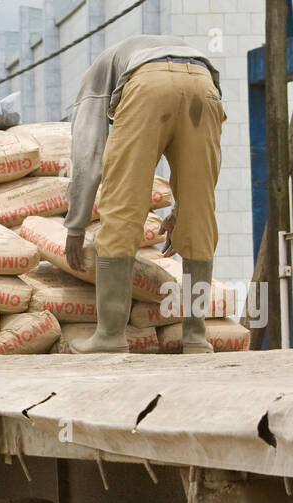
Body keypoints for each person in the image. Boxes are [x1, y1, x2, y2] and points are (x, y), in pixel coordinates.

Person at [64, 35, 226, 354]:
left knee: (122, 207)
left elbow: (87, 153)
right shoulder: (156, 48)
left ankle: (110, 335)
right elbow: (205, 172)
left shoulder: (96, 76)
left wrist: (76, 224)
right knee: (200, 217)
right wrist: (181, 212)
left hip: (148, 86)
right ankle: (195, 337)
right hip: (206, 84)